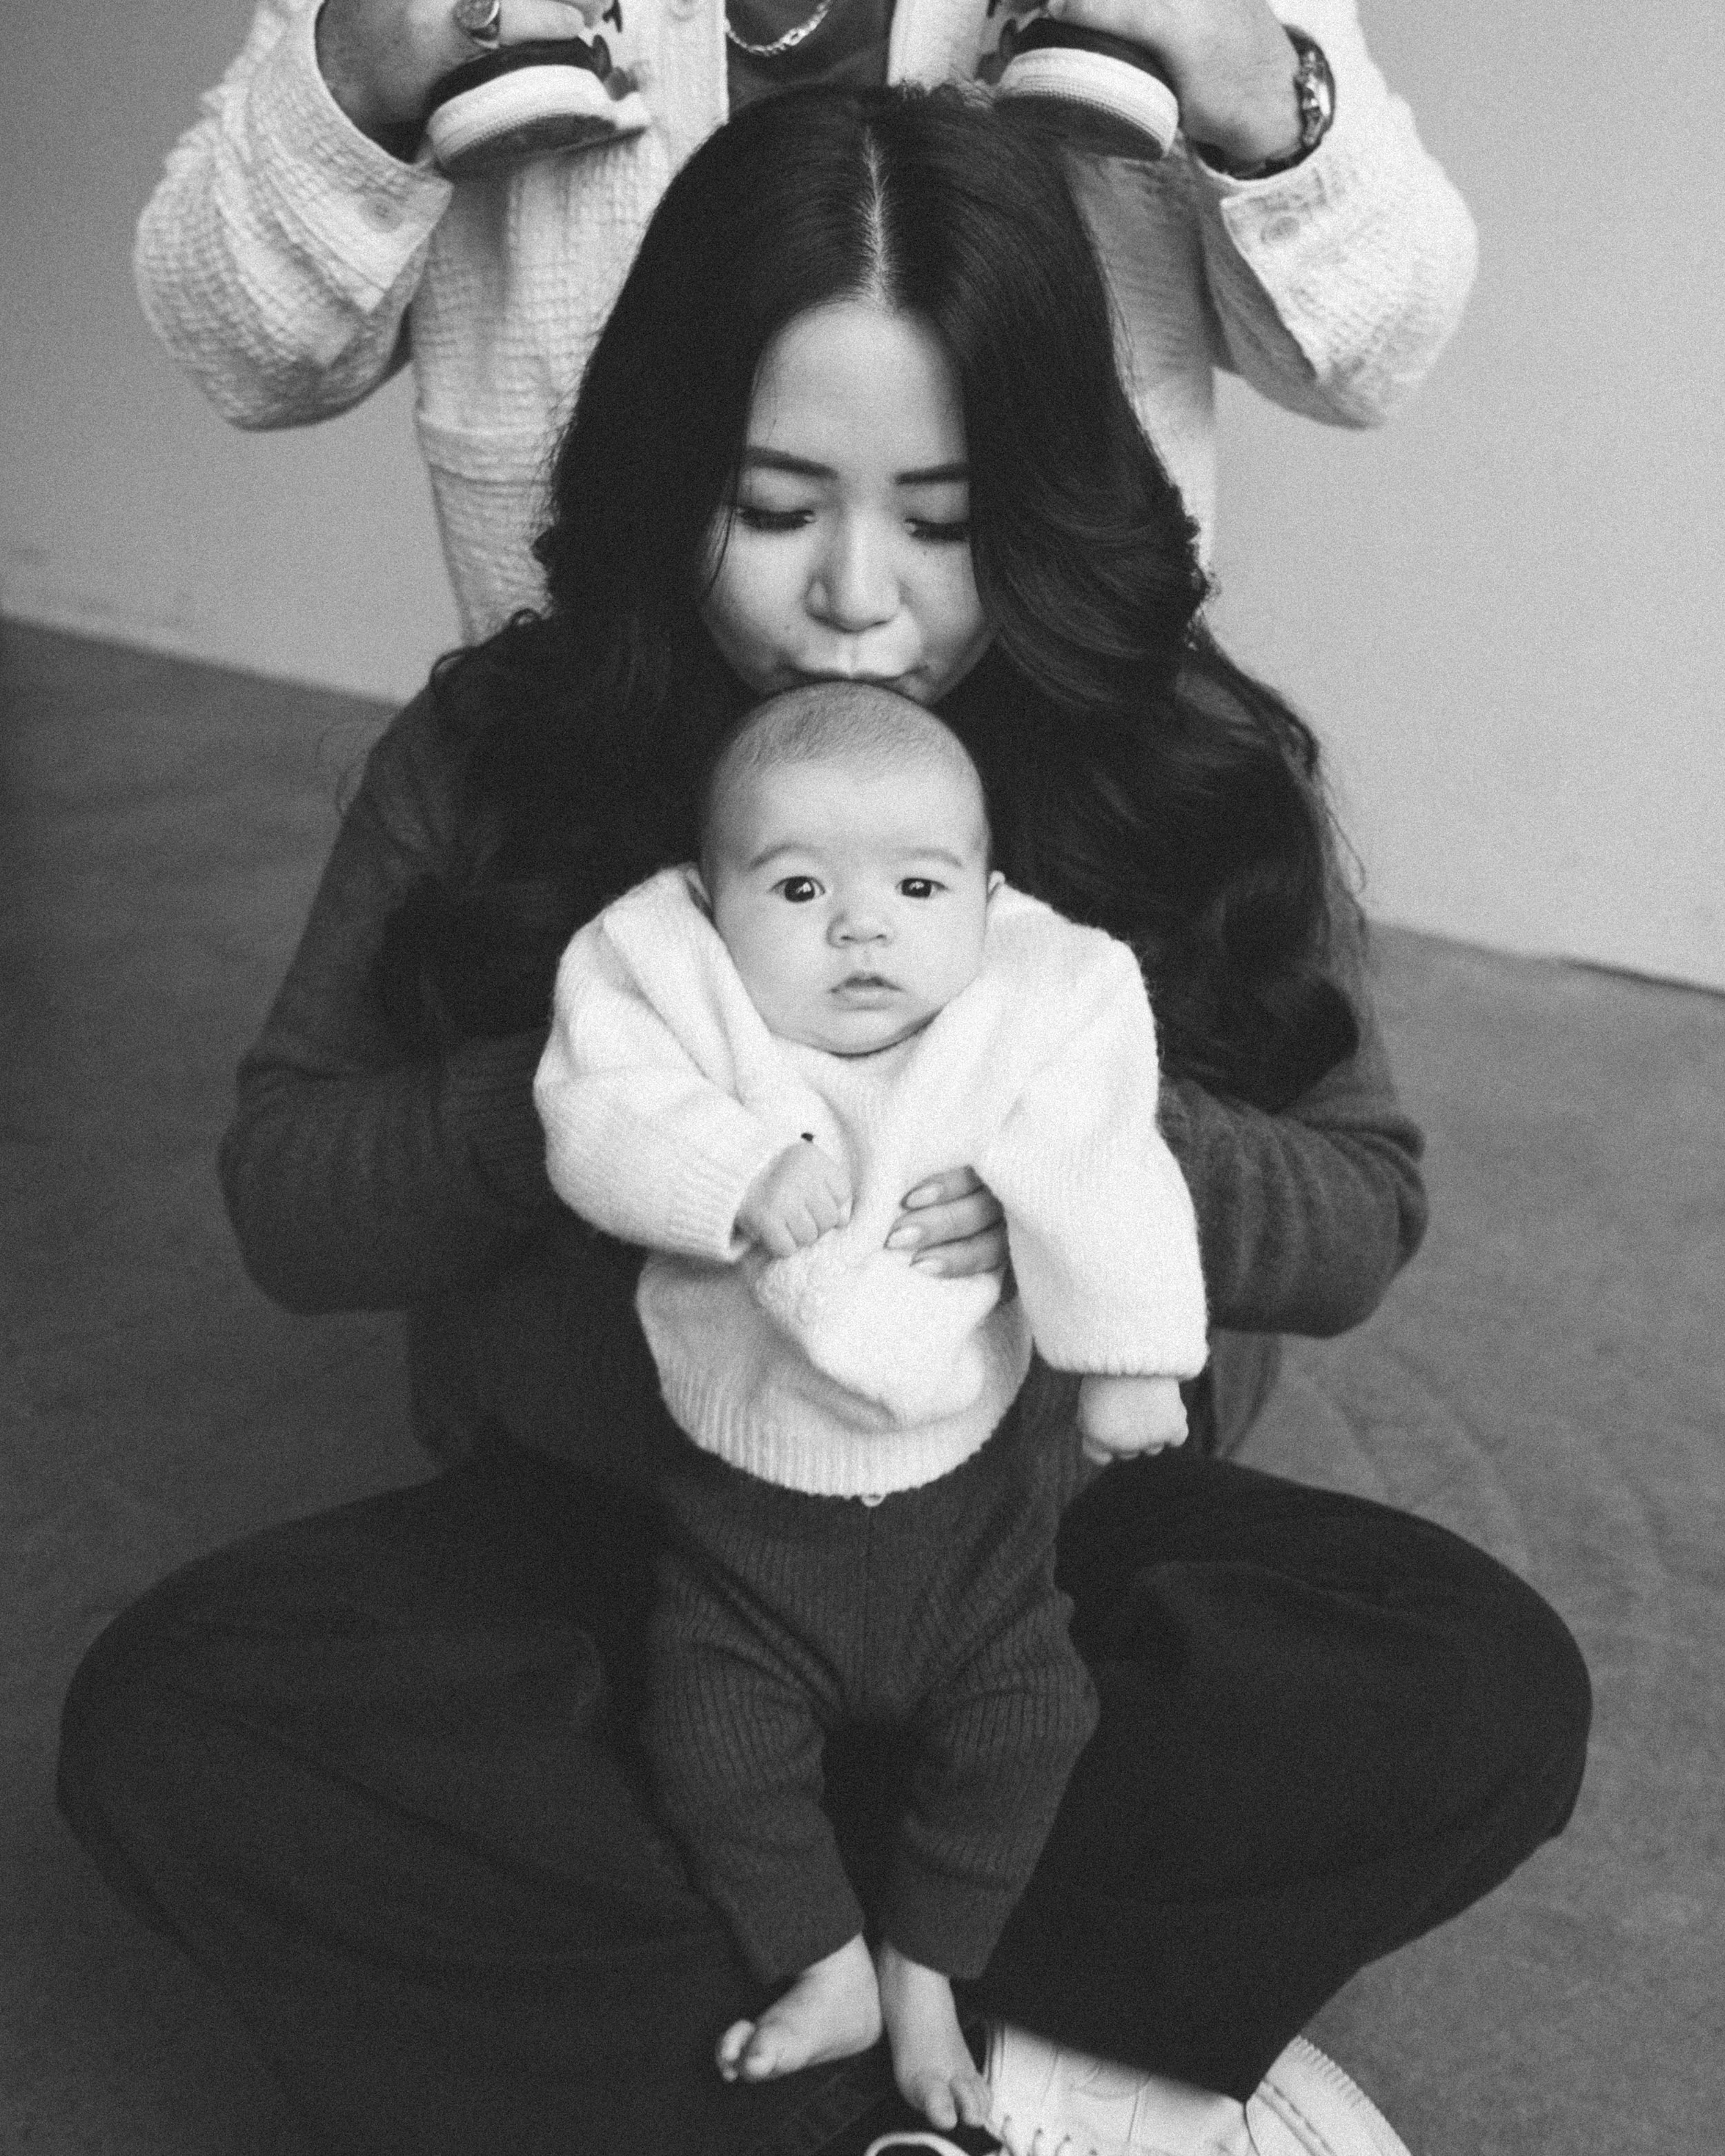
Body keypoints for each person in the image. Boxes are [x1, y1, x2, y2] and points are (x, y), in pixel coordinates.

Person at [63, 88, 1586, 2156]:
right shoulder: (509, 751)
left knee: (1464, 1678)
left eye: (941, 519)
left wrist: (1066, 1127)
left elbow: (1358, 1208)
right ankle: (954, 2072)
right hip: (635, 1558)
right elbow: (291, 1203)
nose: (857, 596)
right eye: (776, 506)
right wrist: (610, 1099)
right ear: (670, 466)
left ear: (1040, 497)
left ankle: (867, 2034)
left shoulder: (1165, 757)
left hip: (1042, 1569)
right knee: (187, 1719)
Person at [533, 680, 1207, 2125]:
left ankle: (926, 1961)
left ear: (985, 890)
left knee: (1035, 1720)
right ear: (709, 901)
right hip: (745, 1537)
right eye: (796, 885)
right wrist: (734, 1170)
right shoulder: (674, 990)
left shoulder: (1026, 1002)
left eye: (915, 883)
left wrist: (1125, 1351)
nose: (860, 924)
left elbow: (1102, 1161)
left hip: (973, 1529)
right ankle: (823, 1957)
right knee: (707, 1740)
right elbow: (596, 1111)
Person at [135, 0, 1476, 639]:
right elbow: (242, 357)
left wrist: (1240, 67)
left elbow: (1372, 361)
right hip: (587, 723)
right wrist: (363, 66)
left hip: (1050, 734)